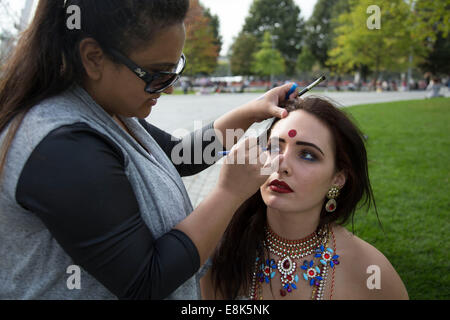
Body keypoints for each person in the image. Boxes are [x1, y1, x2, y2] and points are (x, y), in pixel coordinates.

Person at [0, 0, 296, 300]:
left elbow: (176, 153)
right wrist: (229, 192)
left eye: (175, 68)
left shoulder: (104, 106)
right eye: (157, 74)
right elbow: (145, 281)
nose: (168, 88)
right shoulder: (60, 146)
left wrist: (251, 112)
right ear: (93, 58)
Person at [201, 96, 409, 300]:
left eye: (307, 155)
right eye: (274, 147)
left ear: (337, 179)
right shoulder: (220, 251)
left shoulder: (370, 270)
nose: (281, 165)